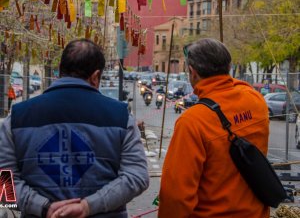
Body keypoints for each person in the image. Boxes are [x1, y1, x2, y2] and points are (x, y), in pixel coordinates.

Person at [0, 39, 149, 218]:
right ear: (95, 76)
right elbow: (138, 177)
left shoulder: (17, 118)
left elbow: (3, 187)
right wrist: (88, 206)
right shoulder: (121, 117)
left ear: (59, 71)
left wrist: (45, 208)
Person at [159, 38, 269, 218]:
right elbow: (239, 85)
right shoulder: (255, 100)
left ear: (192, 72)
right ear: (228, 67)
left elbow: (176, 195)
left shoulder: (192, 121)